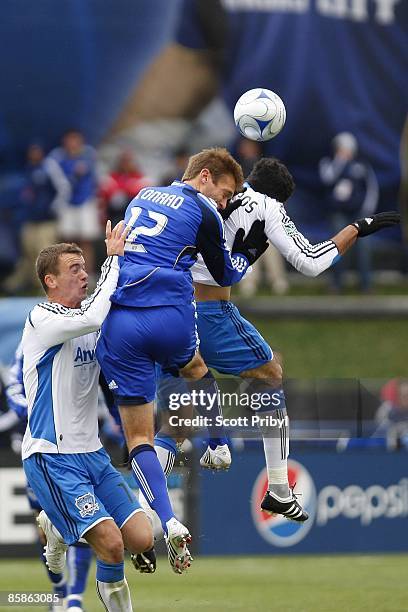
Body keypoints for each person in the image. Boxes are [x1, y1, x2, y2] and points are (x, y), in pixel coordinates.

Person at [149, 157, 400, 522]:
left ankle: (145, 515)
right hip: (208, 314)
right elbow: (311, 261)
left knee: (176, 422)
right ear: (282, 199)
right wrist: (358, 228)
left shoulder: (197, 193)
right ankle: (280, 489)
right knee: (270, 374)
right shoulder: (268, 208)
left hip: (166, 311)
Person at [96, 147, 268, 571]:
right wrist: (248, 252)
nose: (224, 204)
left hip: (119, 319)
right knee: (196, 369)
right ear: (204, 176)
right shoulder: (205, 212)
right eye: (225, 194)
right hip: (168, 310)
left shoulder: (143, 195)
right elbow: (225, 274)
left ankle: (167, 521)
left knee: (139, 439)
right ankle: (220, 443)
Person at [21, 225, 153, 612]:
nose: (84, 274)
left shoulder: (85, 322)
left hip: (92, 454)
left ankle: (56, 525)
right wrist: (115, 256)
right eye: (75, 269)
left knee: (142, 538)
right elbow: (98, 314)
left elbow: (108, 319)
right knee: (111, 544)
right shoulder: (43, 319)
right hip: (52, 456)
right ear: (51, 280)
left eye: (86, 267)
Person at [0, 342, 93, 612]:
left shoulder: (84, 338)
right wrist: (37, 413)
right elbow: (14, 389)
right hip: (40, 450)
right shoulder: (33, 341)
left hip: (78, 447)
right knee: (44, 530)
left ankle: (74, 600)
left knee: (86, 521)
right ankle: (60, 593)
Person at [4, 143, 70, 294]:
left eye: (37, 151)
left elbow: (63, 188)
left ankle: (51, 285)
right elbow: (26, 195)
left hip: (46, 220)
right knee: (29, 251)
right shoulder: (28, 170)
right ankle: (32, 282)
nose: (34, 154)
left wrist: (53, 208)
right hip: (30, 219)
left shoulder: (49, 167)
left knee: (46, 253)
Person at [319, 132, 380, 292]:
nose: (344, 150)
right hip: (338, 213)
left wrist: (367, 210)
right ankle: (336, 283)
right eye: (341, 148)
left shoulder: (361, 166)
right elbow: (327, 179)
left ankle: (366, 285)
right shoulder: (328, 163)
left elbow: (371, 189)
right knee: (337, 247)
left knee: (364, 248)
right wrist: (340, 162)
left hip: (358, 214)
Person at [49, 130, 100, 278]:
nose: (72, 143)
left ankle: (87, 275)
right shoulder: (58, 158)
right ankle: (68, 274)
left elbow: (94, 178)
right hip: (67, 203)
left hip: (85, 202)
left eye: (75, 140)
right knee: (67, 241)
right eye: (70, 140)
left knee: (86, 240)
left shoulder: (89, 155)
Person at [99, 149, 150, 228]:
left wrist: (126, 190)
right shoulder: (112, 177)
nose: (126, 165)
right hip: (114, 213)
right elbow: (104, 195)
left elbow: (142, 196)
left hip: (132, 212)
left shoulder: (140, 178)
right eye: (124, 162)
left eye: (128, 162)